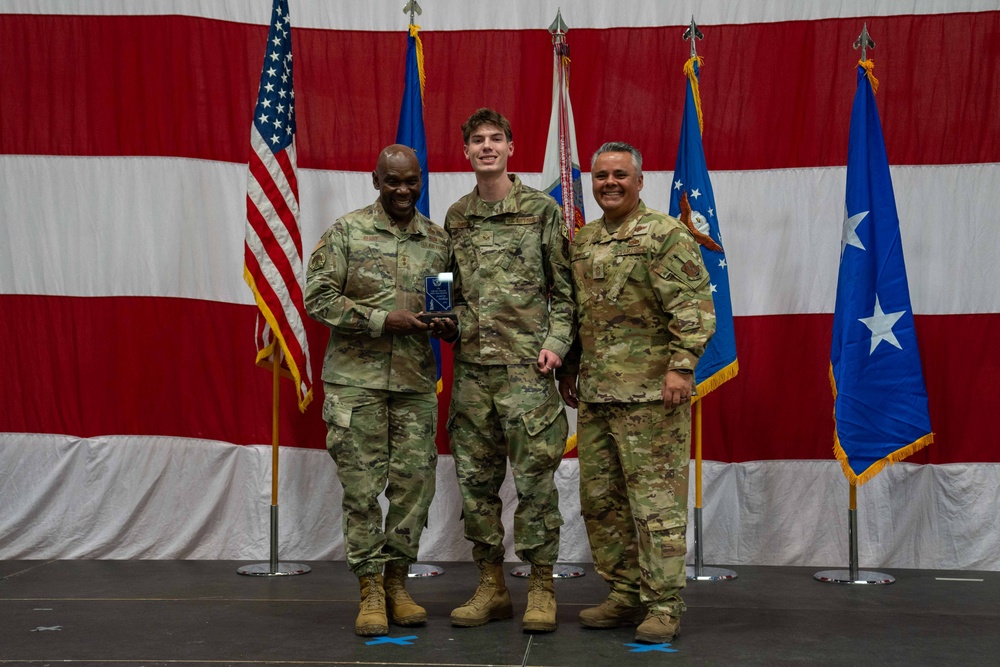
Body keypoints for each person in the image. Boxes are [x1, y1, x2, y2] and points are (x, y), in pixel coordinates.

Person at [556, 142, 715, 644]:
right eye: (601, 175)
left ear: (640, 181)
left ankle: (663, 605)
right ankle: (624, 595)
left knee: (656, 508)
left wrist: (682, 368)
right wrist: (572, 369)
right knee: (603, 505)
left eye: (620, 174)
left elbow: (693, 307)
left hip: (653, 397)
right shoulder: (583, 241)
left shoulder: (666, 235)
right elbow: (583, 315)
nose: (609, 182)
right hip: (600, 397)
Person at [304, 145, 454, 637]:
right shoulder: (347, 231)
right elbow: (317, 295)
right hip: (356, 383)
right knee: (362, 491)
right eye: (393, 181)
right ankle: (369, 586)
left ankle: (396, 581)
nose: (404, 190)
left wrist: (447, 324)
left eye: (411, 181)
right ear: (376, 181)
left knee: (415, 487)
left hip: (413, 384)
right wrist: (378, 319)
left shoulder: (436, 240)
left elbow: (441, 302)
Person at [443, 108, 575, 633]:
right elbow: (445, 289)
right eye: (478, 140)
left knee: (536, 485)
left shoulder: (542, 211)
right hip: (473, 374)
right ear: (467, 152)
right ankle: (491, 586)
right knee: (475, 485)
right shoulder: (457, 216)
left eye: (496, 139)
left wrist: (557, 343)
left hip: (528, 374)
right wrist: (442, 318)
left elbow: (564, 291)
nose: (487, 147)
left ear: (511, 148)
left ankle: (541, 586)